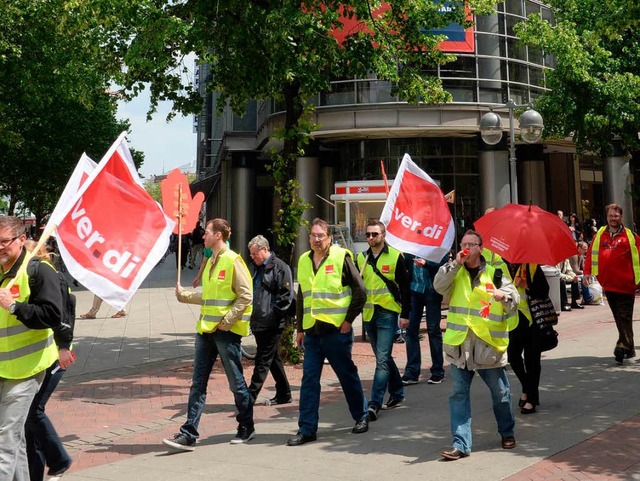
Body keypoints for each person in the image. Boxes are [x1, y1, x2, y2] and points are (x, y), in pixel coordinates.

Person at [163, 218, 254, 451]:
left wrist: (227, 321)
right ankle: (188, 433)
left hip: (225, 333)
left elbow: (245, 296)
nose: (203, 236)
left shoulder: (233, 261)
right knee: (198, 383)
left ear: (219, 236)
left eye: (207, 233)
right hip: (205, 330)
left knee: (236, 382)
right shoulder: (212, 260)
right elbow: (209, 296)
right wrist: (185, 296)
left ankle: (246, 426)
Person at [433, 229, 519, 461]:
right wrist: (454, 265)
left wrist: (504, 296)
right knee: (459, 394)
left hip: (487, 346)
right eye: (464, 243)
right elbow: (439, 286)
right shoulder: (454, 270)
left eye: (472, 244)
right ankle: (460, 444)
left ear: (481, 248)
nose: (467, 248)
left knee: (500, 394)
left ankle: (507, 431)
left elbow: (515, 299)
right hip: (460, 347)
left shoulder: (495, 272)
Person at [287, 218, 368, 446]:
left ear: (329, 238)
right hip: (312, 332)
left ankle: (361, 415)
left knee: (346, 374)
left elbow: (360, 291)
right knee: (309, 380)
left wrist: (349, 321)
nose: (316, 239)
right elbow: (303, 295)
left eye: (320, 235)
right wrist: (300, 329)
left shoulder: (341, 257)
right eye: (313, 235)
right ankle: (307, 429)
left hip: (336, 332)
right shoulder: (304, 260)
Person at [0, 216, 63, 480]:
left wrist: (14, 306)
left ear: (21, 239)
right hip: (4, 367)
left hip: (28, 368)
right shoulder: (2, 269)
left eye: (4, 241)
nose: (0, 247)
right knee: (13, 441)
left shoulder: (39, 270)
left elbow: (52, 315)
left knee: (4, 441)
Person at [23, 240, 74, 481]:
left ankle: (58, 459)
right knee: (27, 420)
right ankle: (36, 471)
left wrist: (64, 347)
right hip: (35, 356)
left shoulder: (49, 277)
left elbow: (62, 316)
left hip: (52, 355)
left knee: (33, 412)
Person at [356, 220, 411, 420]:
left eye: (375, 234)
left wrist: (405, 314)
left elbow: (406, 289)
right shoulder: (360, 258)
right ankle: (397, 393)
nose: (371, 238)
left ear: (383, 235)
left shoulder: (396, 256)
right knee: (384, 357)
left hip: (388, 312)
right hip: (369, 314)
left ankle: (374, 403)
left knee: (381, 360)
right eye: (368, 234)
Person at [583, 204, 640, 364]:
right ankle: (630, 347)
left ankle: (622, 346)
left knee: (623, 316)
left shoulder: (630, 236)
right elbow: (591, 254)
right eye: (611, 216)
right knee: (620, 318)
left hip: (626, 284)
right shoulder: (599, 235)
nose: (613, 218)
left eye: (616, 216)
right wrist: (587, 272)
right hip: (608, 284)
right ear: (607, 217)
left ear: (621, 217)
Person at [246, 235, 294, 406]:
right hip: (258, 321)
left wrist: (273, 316)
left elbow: (286, 297)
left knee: (262, 360)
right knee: (272, 359)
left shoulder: (280, 267)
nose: (252, 257)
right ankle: (284, 393)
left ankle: (249, 398)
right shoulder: (254, 268)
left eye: (254, 253)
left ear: (264, 249)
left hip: (271, 323)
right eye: (251, 254)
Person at [506, 262, 548, 415]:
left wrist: (529, 284)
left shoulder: (533, 267)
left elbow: (544, 292)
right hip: (513, 321)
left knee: (532, 361)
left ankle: (531, 399)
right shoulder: (505, 267)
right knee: (513, 357)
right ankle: (527, 387)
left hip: (533, 322)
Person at [402, 253, 446, 385]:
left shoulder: (435, 244)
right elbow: (406, 265)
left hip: (431, 291)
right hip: (414, 291)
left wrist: (426, 263)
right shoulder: (410, 247)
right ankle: (412, 372)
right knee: (411, 331)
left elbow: (443, 263)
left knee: (433, 330)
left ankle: (437, 371)